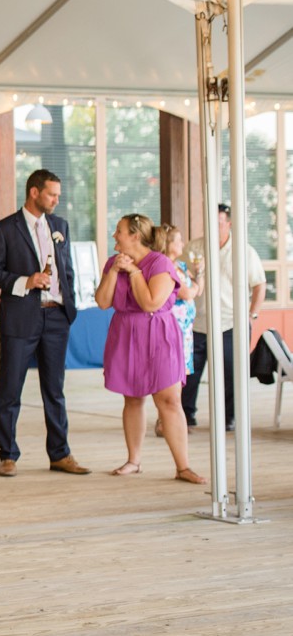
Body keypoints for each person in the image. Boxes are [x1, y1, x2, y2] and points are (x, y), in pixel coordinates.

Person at [0, 168, 89, 477]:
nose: (57, 200)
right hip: (21, 318)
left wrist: (69, 306)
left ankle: (60, 454)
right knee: (10, 389)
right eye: (52, 194)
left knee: (55, 390)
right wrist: (25, 281)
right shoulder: (5, 229)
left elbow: (66, 269)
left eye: (57, 195)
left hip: (57, 317)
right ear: (34, 192)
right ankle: (8, 455)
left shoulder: (60, 225)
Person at [97, 214, 205, 483]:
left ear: (134, 235)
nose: (114, 236)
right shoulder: (113, 262)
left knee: (169, 400)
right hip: (126, 333)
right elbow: (102, 301)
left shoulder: (161, 263)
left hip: (159, 333)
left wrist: (133, 272)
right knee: (132, 398)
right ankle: (134, 460)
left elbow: (150, 303)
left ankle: (183, 467)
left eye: (118, 231)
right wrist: (113, 272)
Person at [183, 204, 265, 432]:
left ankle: (229, 417)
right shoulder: (194, 247)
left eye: (218, 222)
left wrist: (252, 315)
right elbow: (178, 276)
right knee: (189, 374)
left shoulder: (243, 250)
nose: (213, 226)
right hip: (197, 324)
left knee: (231, 374)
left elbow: (259, 285)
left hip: (231, 324)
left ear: (228, 224)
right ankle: (185, 417)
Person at [155, 224, 201, 438]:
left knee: (182, 374)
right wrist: (196, 285)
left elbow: (195, 290)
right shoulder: (166, 267)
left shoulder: (182, 265)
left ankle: (172, 416)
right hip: (172, 327)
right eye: (178, 240)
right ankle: (165, 419)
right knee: (171, 374)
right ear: (168, 244)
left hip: (186, 330)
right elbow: (187, 292)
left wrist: (198, 276)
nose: (182, 244)